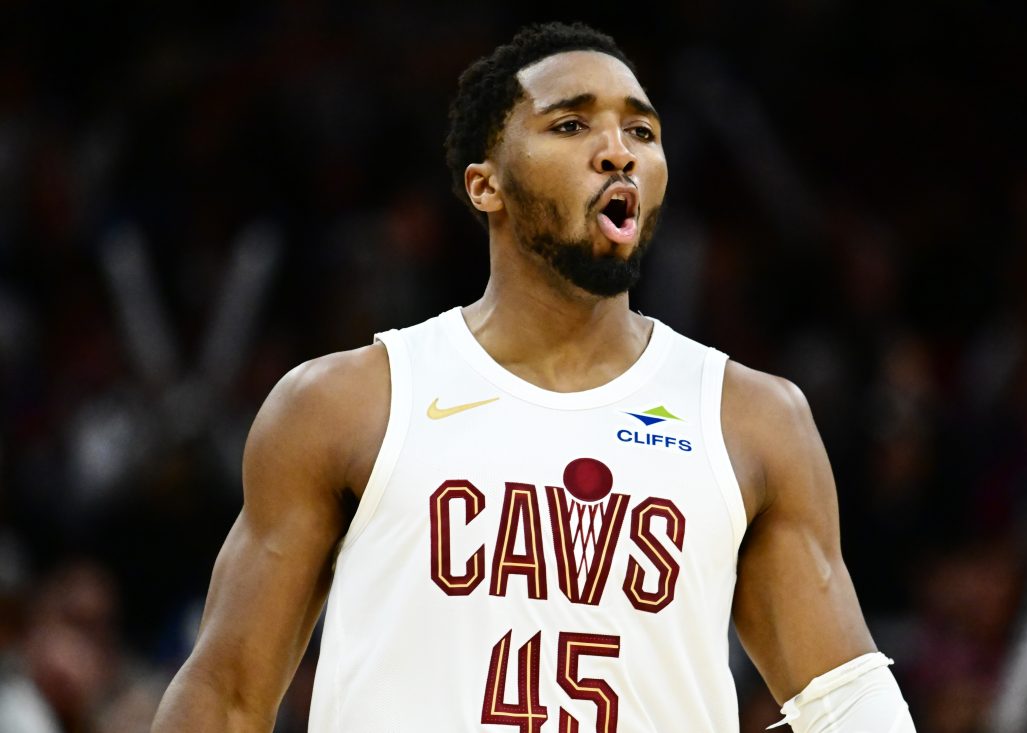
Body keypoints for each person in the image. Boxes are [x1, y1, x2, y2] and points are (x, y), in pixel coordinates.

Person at [152, 21, 916, 732]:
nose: (618, 150)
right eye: (571, 123)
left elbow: (847, 699)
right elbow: (227, 692)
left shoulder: (751, 419)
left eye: (640, 130)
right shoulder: (347, 403)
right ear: (485, 185)